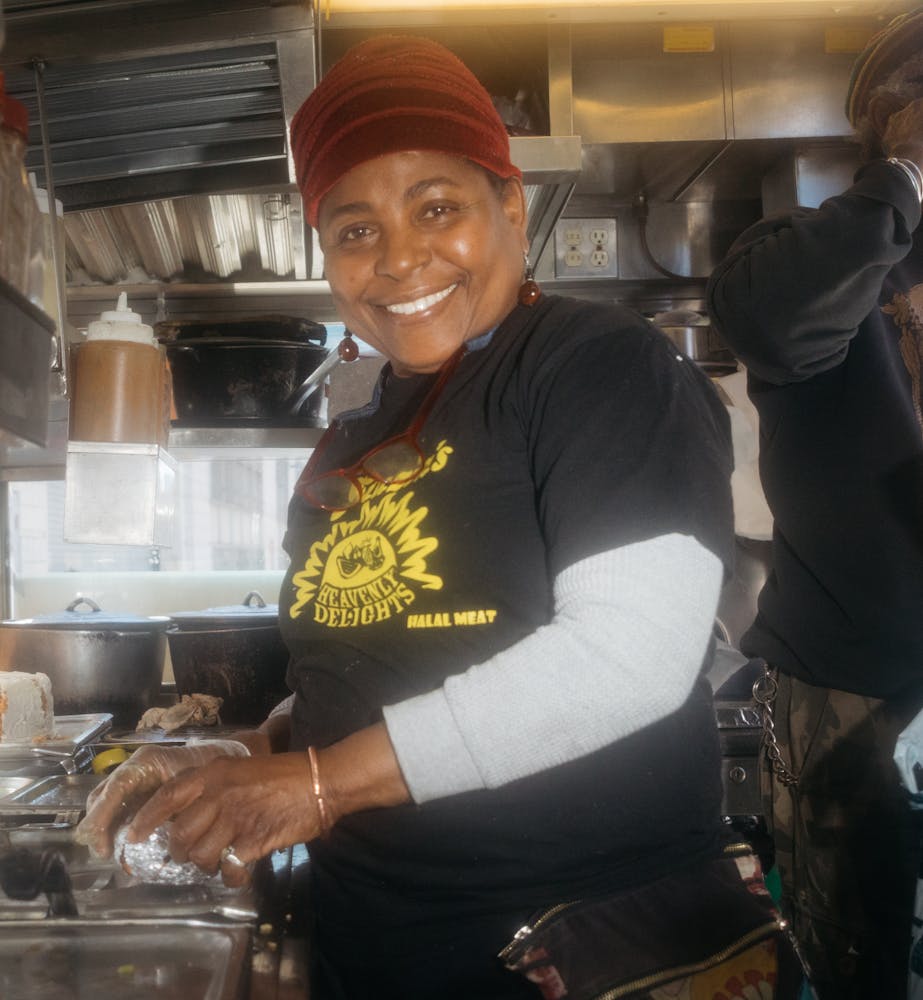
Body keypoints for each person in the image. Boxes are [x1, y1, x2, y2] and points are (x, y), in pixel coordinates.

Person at [76, 35, 791, 1000]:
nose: (400, 256)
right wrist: (250, 751)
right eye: (355, 228)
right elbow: (368, 669)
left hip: (585, 949)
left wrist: (323, 785)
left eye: (438, 208)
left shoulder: (598, 366)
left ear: (510, 205)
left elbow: (631, 654)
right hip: (380, 941)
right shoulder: (351, 441)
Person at [706, 9, 923, 999]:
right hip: (847, 697)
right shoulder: (809, 253)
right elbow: (772, 319)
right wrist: (905, 185)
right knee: (852, 967)